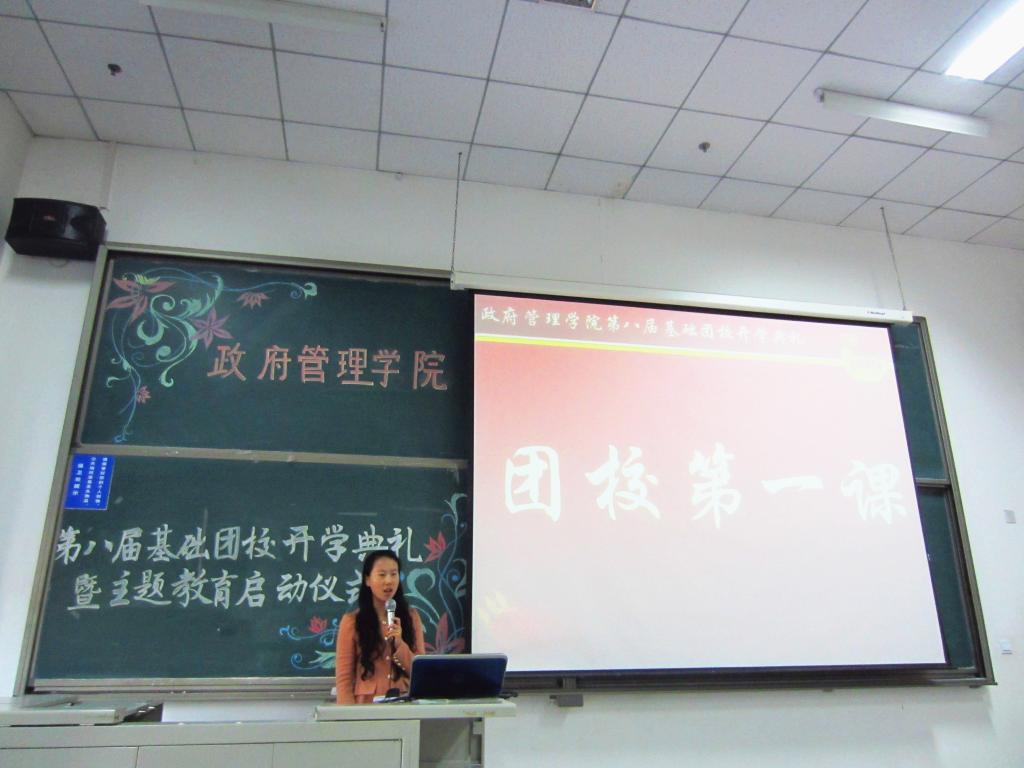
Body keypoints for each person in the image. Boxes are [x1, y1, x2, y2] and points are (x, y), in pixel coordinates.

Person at [335, 549, 425, 704]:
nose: (388, 581)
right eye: (382, 575)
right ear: (367, 580)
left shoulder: (411, 617)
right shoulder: (352, 621)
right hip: (366, 707)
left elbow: (421, 672)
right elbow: (344, 680)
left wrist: (399, 644)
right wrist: (348, 714)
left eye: (394, 574)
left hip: (404, 704)